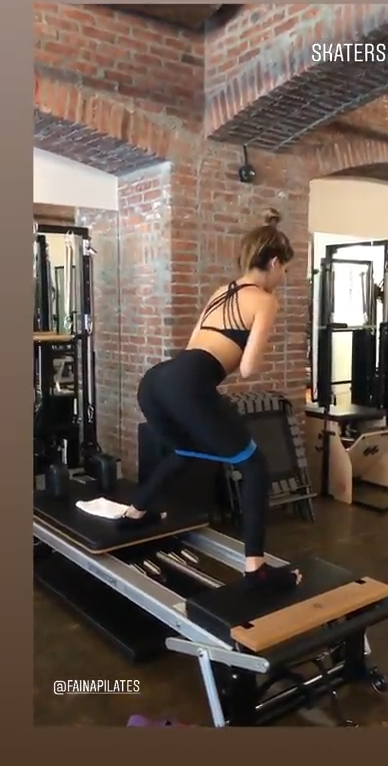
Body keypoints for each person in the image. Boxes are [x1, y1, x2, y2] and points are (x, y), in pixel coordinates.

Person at [121, 208, 302, 592]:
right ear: (273, 263)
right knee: (254, 465)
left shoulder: (223, 291)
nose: (284, 278)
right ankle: (256, 569)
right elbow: (248, 368)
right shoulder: (264, 300)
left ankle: (136, 513)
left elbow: (194, 346)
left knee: (186, 451)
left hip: (156, 382)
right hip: (189, 384)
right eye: (285, 269)